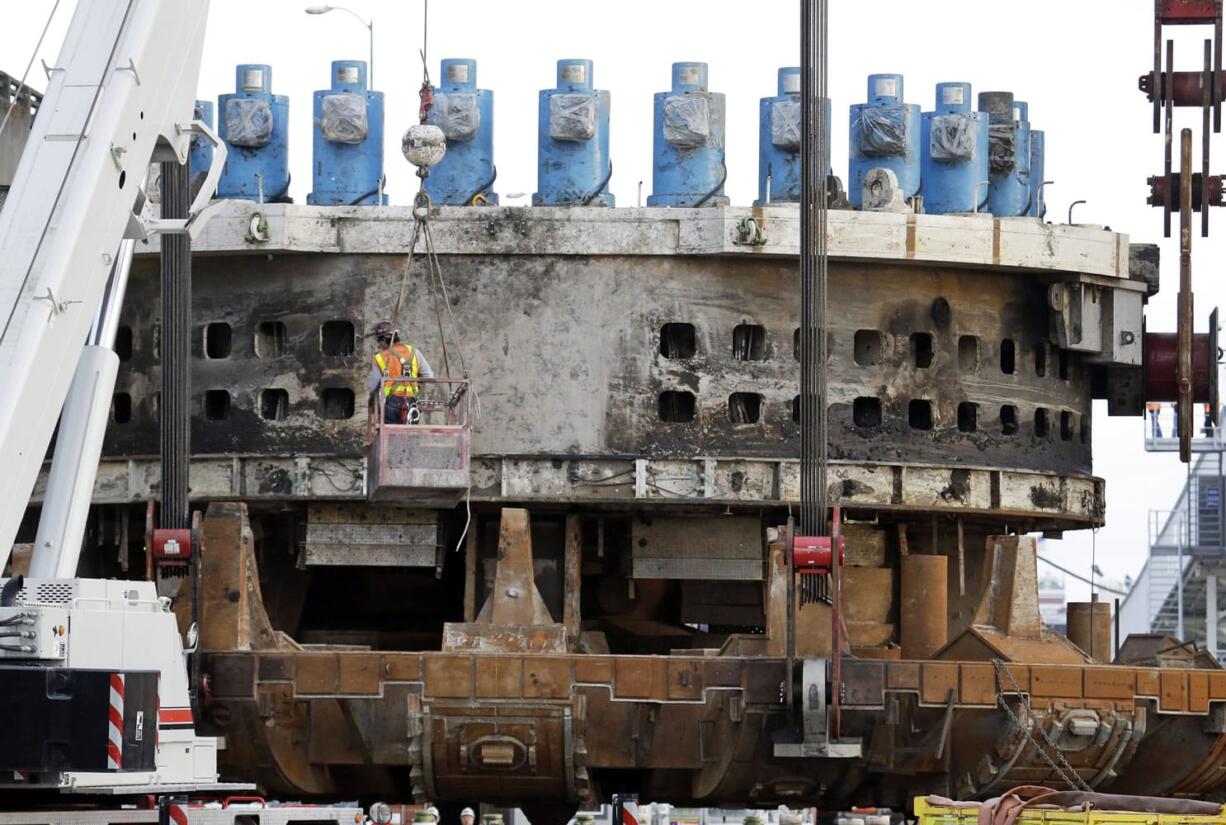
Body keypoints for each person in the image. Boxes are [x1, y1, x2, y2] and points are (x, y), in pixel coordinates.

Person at [368, 320, 434, 424]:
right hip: (411, 402)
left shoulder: (379, 357)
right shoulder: (414, 352)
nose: (379, 345)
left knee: (390, 436)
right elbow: (429, 376)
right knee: (410, 435)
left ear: (384, 340)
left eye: (379, 341)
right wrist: (414, 380)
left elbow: (372, 387)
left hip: (391, 402)